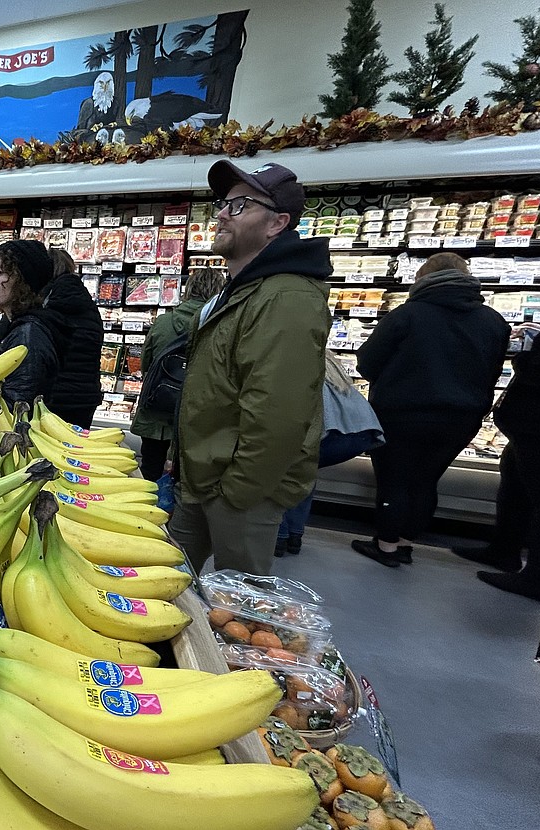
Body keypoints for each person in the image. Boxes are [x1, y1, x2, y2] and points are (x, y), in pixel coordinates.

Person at [169, 160, 332, 576]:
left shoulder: (286, 297)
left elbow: (279, 412)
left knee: (240, 613)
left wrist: (237, 492)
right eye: (223, 203)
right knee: (172, 581)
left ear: (277, 223)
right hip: (204, 476)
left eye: (240, 204)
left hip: (238, 491)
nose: (222, 213)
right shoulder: (241, 289)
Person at [352, 252, 509, 567]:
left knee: (394, 480)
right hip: (461, 419)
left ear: (423, 279)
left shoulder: (407, 315)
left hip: (402, 414)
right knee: (425, 481)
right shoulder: (493, 321)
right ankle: (407, 544)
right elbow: (492, 374)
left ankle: (386, 548)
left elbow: (367, 363)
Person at [471, 310, 540, 601]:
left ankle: (538, 580)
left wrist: (527, 354)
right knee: (516, 488)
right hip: (538, 428)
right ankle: (504, 551)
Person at [276, 353, 385, 556]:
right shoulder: (322, 356)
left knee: (280, 473)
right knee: (303, 473)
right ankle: (294, 536)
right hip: (360, 431)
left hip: (333, 433)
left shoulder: (292, 360)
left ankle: (278, 538)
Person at [131, 268, 227, 482]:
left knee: (149, 477)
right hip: (192, 418)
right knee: (185, 481)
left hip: (155, 413)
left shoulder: (163, 322)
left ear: (188, 289)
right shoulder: (219, 326)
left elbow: (146, 364)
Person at [0, 239, 61, 415]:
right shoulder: (16, 326)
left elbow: (16, 409)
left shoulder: (28, 337)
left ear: (23, 282)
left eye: (0, 272)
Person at [39, 248, 104, 428]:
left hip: (53, 396)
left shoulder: (44, 303)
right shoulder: (89, 306)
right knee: (76, 449)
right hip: (86, 396)